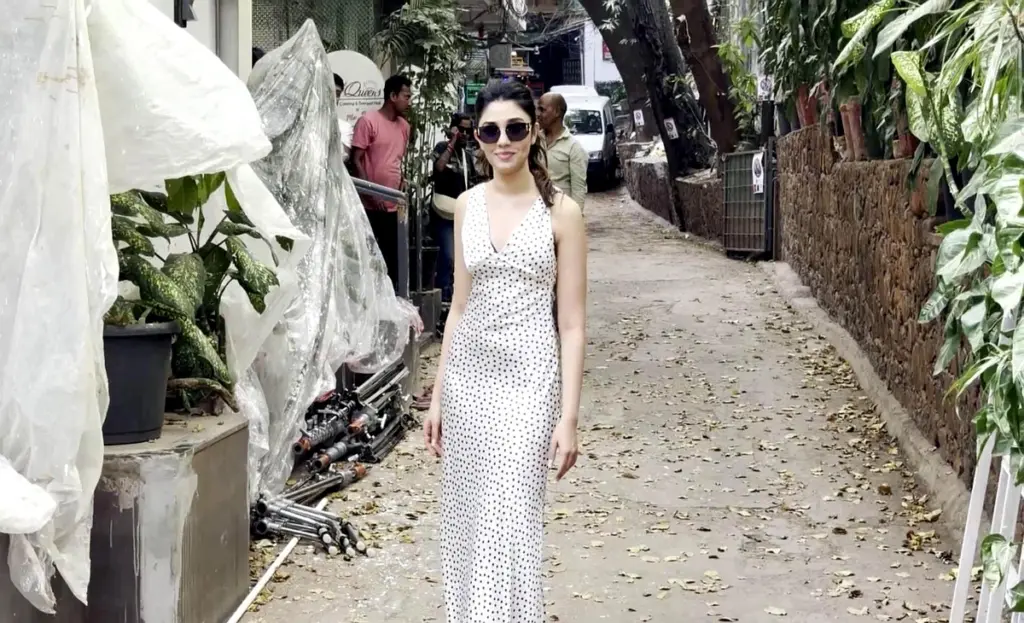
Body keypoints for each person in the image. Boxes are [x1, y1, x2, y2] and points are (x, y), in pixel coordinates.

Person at [422, 80, 587, 623]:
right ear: (477, 139)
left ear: (534, 131)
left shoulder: (562, 213)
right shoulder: (467, 205)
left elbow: (572, 325)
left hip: (530, 381)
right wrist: (438, 397)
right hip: (469, 381)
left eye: (515, 128)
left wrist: (568, 418)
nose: (503, 141)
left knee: (510, 514)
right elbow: (458, 309)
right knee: (469, 517)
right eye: (490, 132)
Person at [351, 74, 413, 289]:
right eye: (406, 96)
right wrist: (371, 192)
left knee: (392, 258)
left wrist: (402, 179)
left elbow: (397, 159)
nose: (409, 101)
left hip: (394, 204)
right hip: (370, 205)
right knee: (368, 257)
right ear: (393, 96)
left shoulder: (404, 127)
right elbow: (356, 160)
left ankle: (393, 297)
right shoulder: (368, 121)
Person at [431, 112, 478, 304]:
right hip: (443, 215)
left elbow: (473, 184)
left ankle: (455, 299)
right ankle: (443, 300)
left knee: (462, 260)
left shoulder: (467, 156)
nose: (465, 135)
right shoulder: (442, 148)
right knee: (448, 256)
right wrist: (452, 142)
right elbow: (439, 168)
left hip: (462, 215)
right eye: (462, 130)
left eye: (468, 131)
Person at [537, 92, 588, 211]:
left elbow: (578, 190)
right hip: (535, 210)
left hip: (560, 211)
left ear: (557, 112)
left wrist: (576, 216)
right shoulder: (534, 141)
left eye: (542, 110)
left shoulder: (574, 147)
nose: (538, 114)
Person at [334, 73, 354, 162]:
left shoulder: (345, 127)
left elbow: (345, 157)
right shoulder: (306, 122)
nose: (334, 97)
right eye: (329, 92)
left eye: (337, 94)